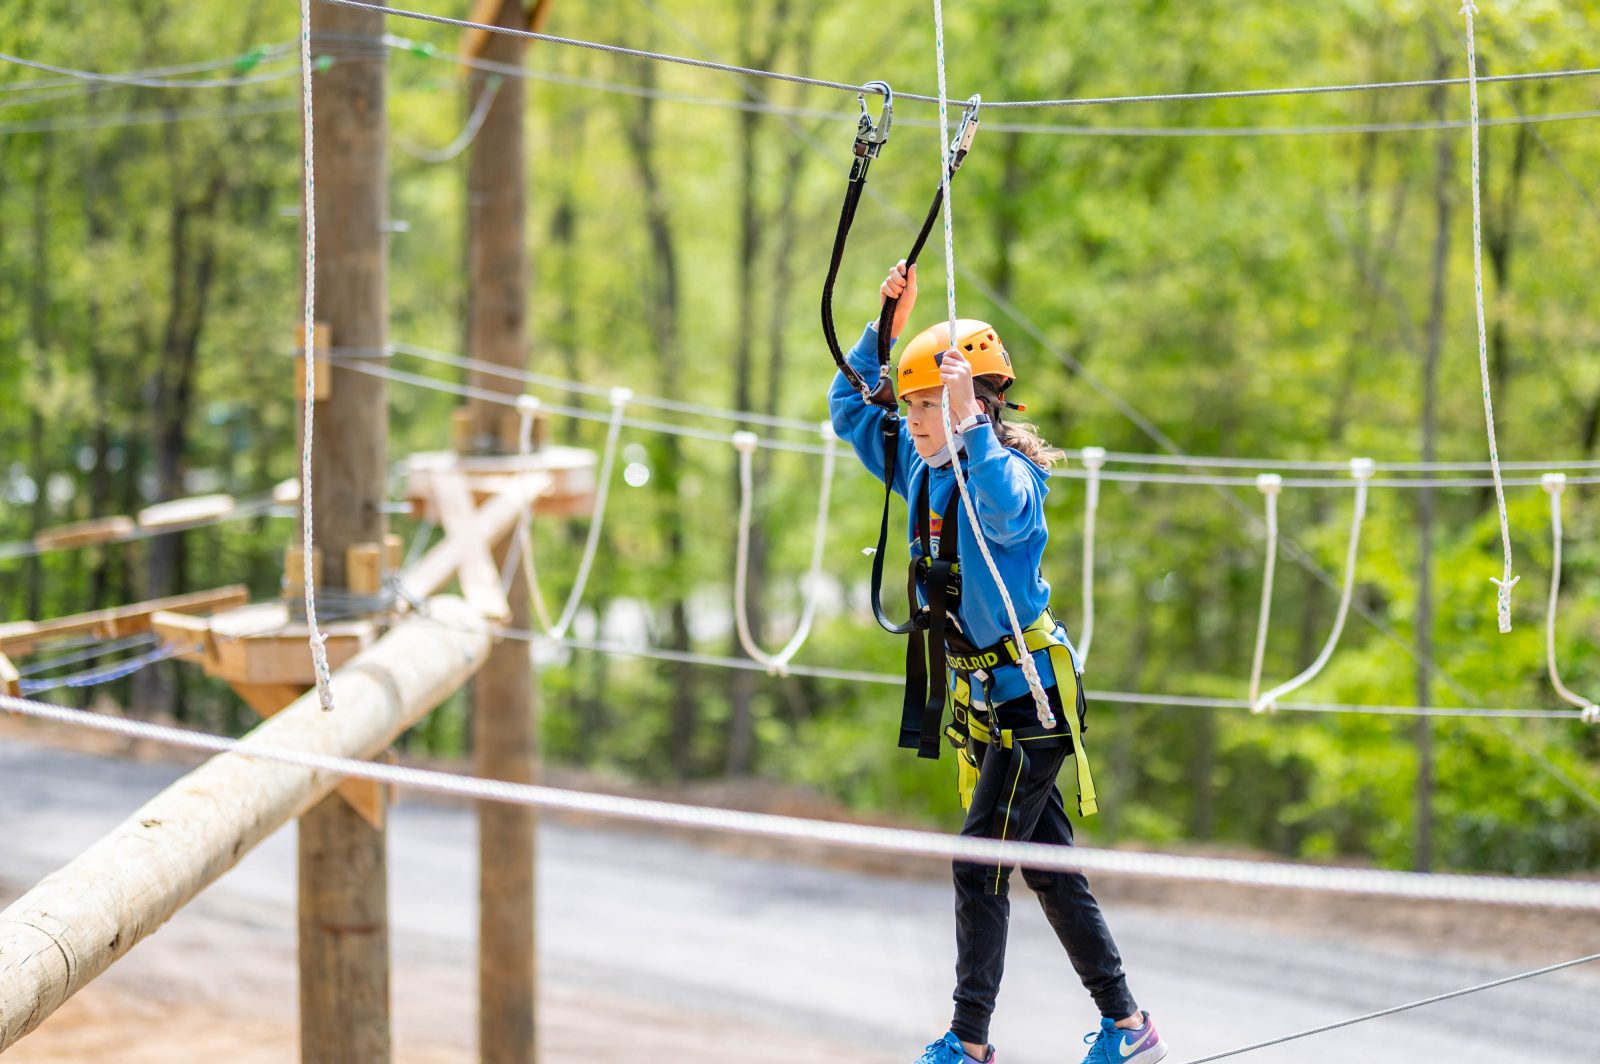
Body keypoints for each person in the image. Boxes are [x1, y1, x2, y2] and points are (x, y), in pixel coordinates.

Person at [827, 261, 1168, 1064]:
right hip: (991, 707)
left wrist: (970, 425)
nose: (912, 420)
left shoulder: (1010, 475)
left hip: (1033, 706)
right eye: (909, 406)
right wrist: (884, 329)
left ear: (975, 404)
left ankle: (970, 1042)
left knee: (978, 862)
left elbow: (1004, 513)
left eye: (927, 406)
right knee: (1047, 871)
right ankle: (1130, 1027)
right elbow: (848, 407)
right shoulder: (920, 466)